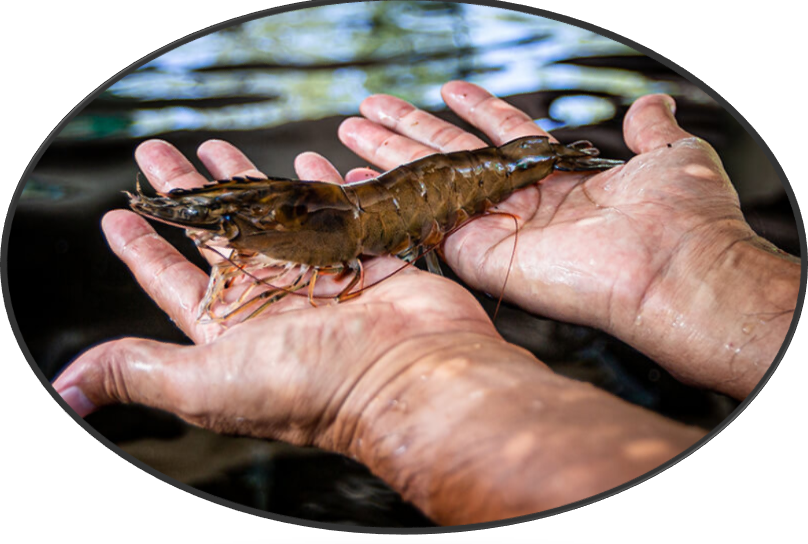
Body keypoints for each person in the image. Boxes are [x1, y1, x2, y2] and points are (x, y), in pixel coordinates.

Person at [52, 81, 799, 525]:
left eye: (230, 223)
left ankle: (543, 163)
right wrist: (713, 278)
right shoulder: (300, 221)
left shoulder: (326, 234)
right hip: (402, 198)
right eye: (230, 222)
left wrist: (380, 392)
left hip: (459, 184)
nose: (229, 234)